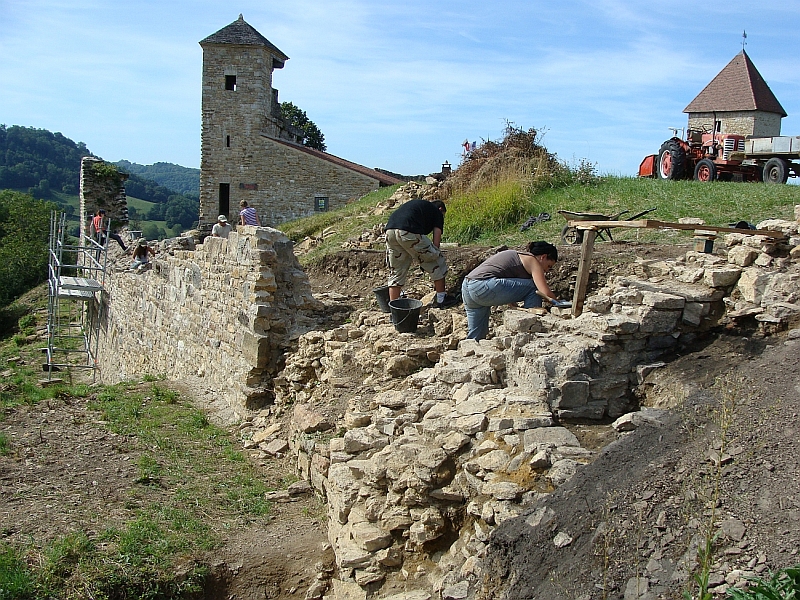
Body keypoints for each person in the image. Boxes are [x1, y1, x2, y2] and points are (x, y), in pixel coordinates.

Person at [461, 241, 561, 340]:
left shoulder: (517, 256)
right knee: (533, 287)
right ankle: (531, 331)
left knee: (476, 335)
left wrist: (511, 301)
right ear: (543, 257)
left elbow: (504, 277)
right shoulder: (532, 260)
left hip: (467, 287)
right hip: (482, 286)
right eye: (549, 266)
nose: (547, 271)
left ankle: (470, 351)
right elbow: (544, 292)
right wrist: (559, 304)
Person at [385, 199, 458, 308]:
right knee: (437, 260)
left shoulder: (420, 209)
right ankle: (442, 299)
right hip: (407, 231)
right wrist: (431, 256)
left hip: (390, 231)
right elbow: (436, 242)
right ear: (441, 209)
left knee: (396, 271)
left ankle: (394, 310)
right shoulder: (437, 212)